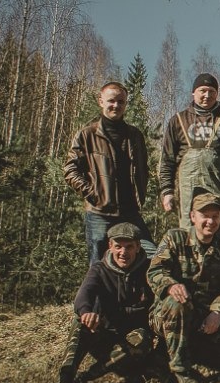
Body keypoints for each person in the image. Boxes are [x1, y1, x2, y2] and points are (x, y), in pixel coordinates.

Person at [158, 73, 220, 287]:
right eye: (202, 91)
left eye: (212, 91)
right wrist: (166, 191)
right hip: (188, 196)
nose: (207, 95)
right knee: (187, 241)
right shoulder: (178, 120)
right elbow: (166, 160)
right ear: (193, 92)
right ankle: (189, 293)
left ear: (217, 93)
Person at [51, 222, 156, 383]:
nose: (123, 252)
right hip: (102, 333)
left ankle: (85, 378)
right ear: (110, 246)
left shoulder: (149, 271)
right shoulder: (99, 269)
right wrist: (86, 312)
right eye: (118, 246)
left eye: (129, 246)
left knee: (141, 339)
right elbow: (84, 295)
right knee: (79, 323)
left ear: (138, 247)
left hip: (130, 342)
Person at [148, 193, 220, 383]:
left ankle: (185, 349)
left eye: (216, 216)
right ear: (193, 216)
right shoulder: (175, 238)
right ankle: (180, 371)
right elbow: (155, 271)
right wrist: (170, 286)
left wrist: (217, 313)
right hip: (167, 314)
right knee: (179, 303)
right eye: (205, 216)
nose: (210, 221)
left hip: (202, 316)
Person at [64, 81, 156, 266]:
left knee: (151, 256)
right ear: (101, 101)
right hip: (100, 212)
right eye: (111, 101)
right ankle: (99, 296)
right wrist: (94, 193)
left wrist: (141, 193)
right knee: (98, 264)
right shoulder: (87, 135)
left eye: (121, 101)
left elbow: (143, 169)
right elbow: (70, 169)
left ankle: (137, 295)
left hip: (130, 211)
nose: (116, 105)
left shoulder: (135, 135)